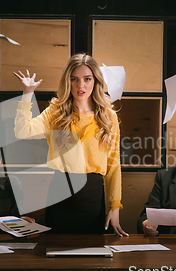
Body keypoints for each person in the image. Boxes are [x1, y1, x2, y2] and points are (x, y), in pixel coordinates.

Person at [13, 53, 127, 236]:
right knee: (56, 253)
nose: (80, 85)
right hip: (59, 192)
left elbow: (114, 165)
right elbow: (22, 131)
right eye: (74, 79)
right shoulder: (55, 112)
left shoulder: (108, 117)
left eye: (87, 79)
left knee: (91, 254)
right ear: (68, 81)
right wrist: (27, 94)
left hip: (92, 194)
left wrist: (115, 207)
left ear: (95, 81)